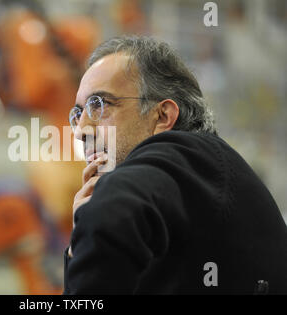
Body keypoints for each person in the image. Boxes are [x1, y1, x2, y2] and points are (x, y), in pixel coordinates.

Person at [64, 35, 287, 294]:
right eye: (78, 114)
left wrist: (98, 212)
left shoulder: (188, 153)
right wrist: (79, 241)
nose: (80, 130)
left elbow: (118, 207)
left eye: (99, 105)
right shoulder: (182, 191)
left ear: (163, 116)